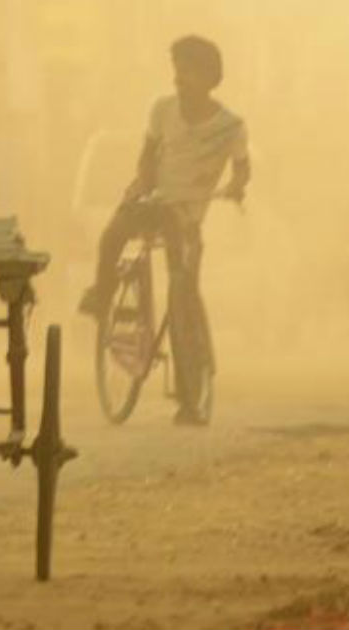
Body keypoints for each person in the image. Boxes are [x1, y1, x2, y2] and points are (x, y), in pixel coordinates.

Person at [78, 35, 251, 424]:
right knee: (113, 234)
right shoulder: (161, 109)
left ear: (209, 77)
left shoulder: (231, 126)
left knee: (180, 294)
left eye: (187, 71)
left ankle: (189, 399)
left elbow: (243, 168)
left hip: (185, 219)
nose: (179, 79)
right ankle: (102, 296)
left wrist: (237, 187)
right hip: (153, 203)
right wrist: (142, 183)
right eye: (177, 70)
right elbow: (147, 155)